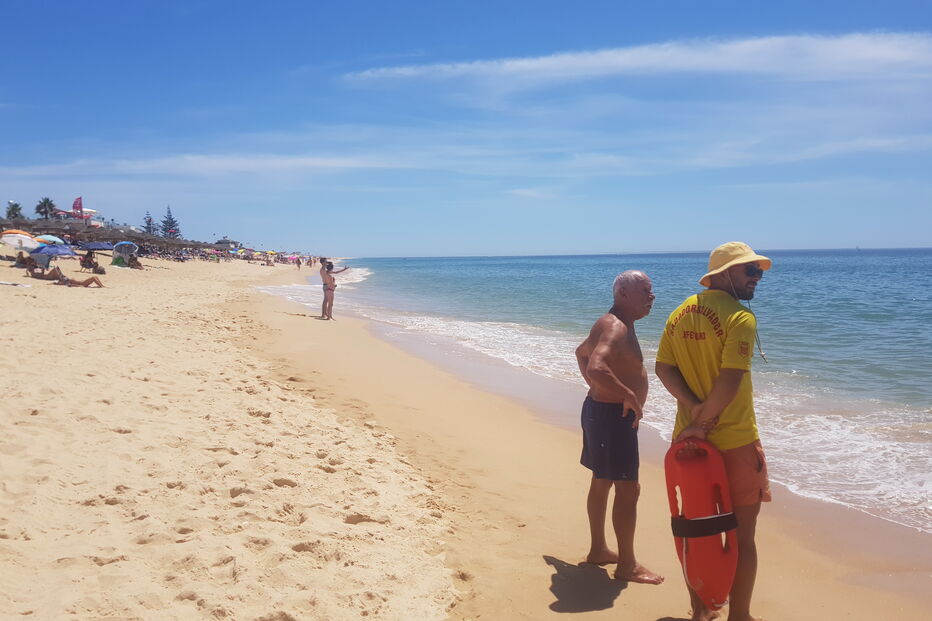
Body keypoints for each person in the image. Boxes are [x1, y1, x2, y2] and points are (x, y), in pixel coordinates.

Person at [654, 241, 772, 621]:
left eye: (759, 271)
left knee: (695, 533)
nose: (757, 278)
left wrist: (692, 415)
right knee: (743, 537)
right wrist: (705, 423)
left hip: (687, 444)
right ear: (723, 275)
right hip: (734, 440)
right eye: (749, 271)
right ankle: (739, 616)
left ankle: (700, 612)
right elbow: (730, 379)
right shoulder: (740, 318)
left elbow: (663, 369)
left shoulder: (678, 313)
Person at [574, 270, 663, 585]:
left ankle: (599, 549)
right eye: (646, 291)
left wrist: (599, 390)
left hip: (602, 412)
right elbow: (596, 364)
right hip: (612, 418)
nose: (652, 297)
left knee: (602, 481)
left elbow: (581, 353)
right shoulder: (616, 327)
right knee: (628, 489)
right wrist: (627, 395)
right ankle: (627, 565)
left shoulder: (610, 322)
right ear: (623, 294)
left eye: (651, 291)